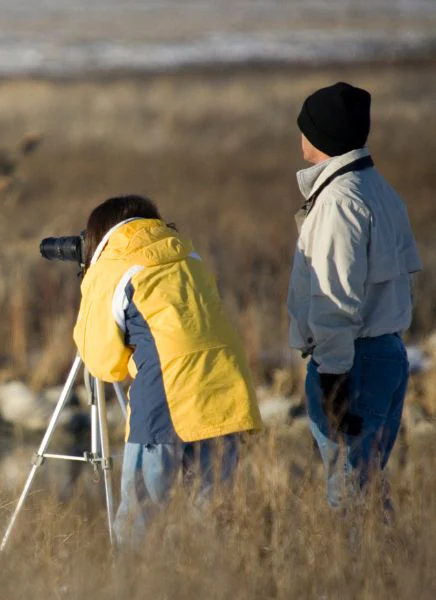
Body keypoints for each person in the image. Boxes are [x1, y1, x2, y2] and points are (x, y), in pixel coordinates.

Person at [73, 194, 262, 549]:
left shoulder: (113, 266)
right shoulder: (188, 255)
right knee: (212, 515)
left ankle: (131, 585)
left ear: (99, 237)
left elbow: (102, 363)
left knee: (140, 517)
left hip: (165, 398)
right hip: (226, 391)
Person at [288, 82, 421, 510]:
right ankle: (384, 571)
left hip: (353, 360)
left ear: (322, 136)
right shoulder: (377, 190)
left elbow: (333, 296)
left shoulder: (339, 203)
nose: (300, 137)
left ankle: (362, 573)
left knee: (350, 495)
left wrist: (333, 377)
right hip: (384, 352)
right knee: (364, 486)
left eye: (305, 128)